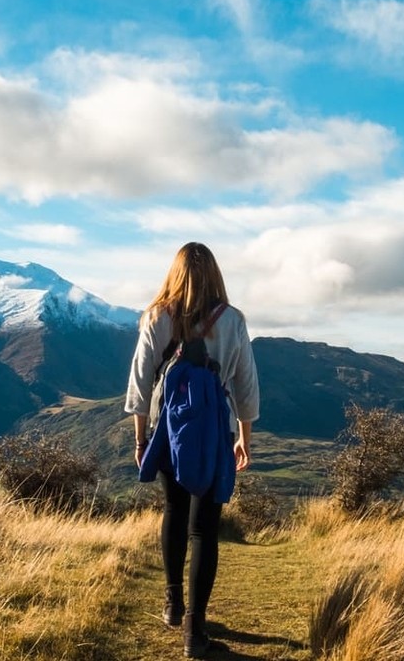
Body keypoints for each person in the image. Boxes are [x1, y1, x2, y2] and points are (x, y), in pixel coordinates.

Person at [124, 242, 260, 659]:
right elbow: (245, 384)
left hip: (169, 431)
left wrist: (141, 438)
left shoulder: (156, 316)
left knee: (174, 511)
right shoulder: (232, 321)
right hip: (213, 432)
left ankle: (172, 603)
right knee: (204, 527)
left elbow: (140, 382)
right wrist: (243, 437)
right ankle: (194, 631)